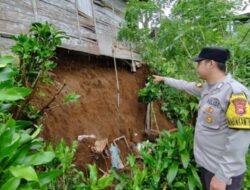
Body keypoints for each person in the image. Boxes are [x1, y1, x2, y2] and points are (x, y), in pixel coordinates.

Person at [153, 47, 250, 190]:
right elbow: (185, 85)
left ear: (210, 63)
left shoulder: (234, 92)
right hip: (207, 166)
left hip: (223, 174)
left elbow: (239, 141)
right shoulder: (208, 88)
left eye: (199, 63)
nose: (197, 66)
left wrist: (222, 176)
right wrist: (164, 79)